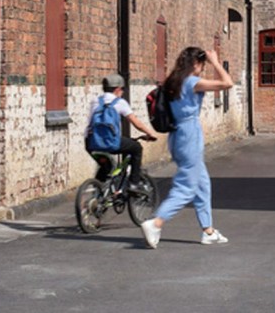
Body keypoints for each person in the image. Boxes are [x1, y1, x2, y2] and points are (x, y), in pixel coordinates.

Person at [141, 45, 233, 247]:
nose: (204, 67)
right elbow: (227, 83)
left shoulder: (174, 81)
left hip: (177, 135)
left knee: (202, 184)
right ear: (195, 63)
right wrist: (216, 62)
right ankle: (156, 222)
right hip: (189, 135)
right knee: (186, 187)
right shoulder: (191, 82)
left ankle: (208, 230)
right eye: (203, 64)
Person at [84, 72, 158, 194]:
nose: (122, 92)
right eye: (122, 89)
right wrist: (150, 133)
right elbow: (136, 123)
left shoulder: (95, 101)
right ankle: (134, 183)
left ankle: (97, 196)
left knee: (105, 166)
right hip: (110, 143)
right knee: (136, 148)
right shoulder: (119, 102)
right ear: (117, 89)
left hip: (91, 142)